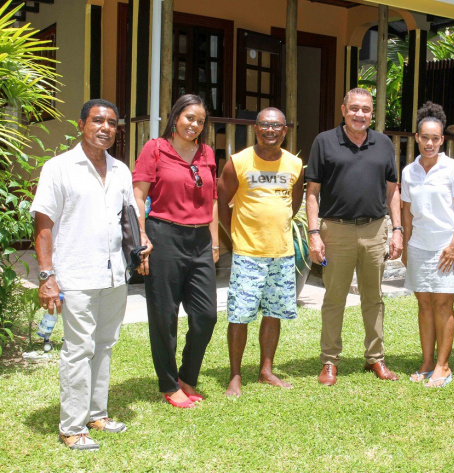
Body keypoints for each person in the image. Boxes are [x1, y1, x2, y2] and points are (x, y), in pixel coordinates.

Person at [32, 99, 152, 450]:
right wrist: (46, 276)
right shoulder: (59, 168)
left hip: (114, 273)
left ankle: (97, 414)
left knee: (105, 345)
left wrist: (142, 241)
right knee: (78, 348)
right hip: (76, 274)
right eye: (98, 121)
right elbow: (43, 224)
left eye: (112, 123)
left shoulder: (120, 170)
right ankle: (71, 426)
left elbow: (130, 218)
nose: (105, 128)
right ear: (81, 125)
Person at [306, 88, 403, 386]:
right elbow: (312, 192)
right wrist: (313, 233)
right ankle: (330, 361)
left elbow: (392, 189)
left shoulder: (383, 143)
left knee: (374, 298)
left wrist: (397, 229)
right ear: (343, 109)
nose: (360, 114)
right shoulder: (324, 142)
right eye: (354, 108)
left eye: (366, 109)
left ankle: (375, 358)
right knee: (334, 298)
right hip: (336, 230)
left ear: (371, 113)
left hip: (375, 229)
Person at [133, 94, 218, 408]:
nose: (194, 125)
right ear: (175, 117)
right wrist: (141, 235)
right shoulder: (155, 149)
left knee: (206, 315)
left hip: (200, 241)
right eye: (189, 118)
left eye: (200, 121)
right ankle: (169, 384)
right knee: (164, 316)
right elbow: (138, 196)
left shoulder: (207, 153)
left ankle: (187, 375)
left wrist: (215, 242)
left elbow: (212, 201)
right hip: (163, 236)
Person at [217, 107, 304, 397]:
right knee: (240, 315)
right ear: (256, 129)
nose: (270, 130)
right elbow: (222, 204)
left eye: (276, 126)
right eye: (265, 125)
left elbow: (294, 203)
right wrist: (236, 239)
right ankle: (235, 375)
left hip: (281, 253)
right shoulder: (238, 162)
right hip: (247, 254)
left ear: (284, 131)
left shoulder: (294, 165)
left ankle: (266, 370)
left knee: (273, 312)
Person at [401, 102, 454, 388]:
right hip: (419, 246)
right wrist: (406, 246)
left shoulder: (452, 168)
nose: (429, 143)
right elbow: (406, 212)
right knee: (424, 305)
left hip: (447, 247)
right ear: (416, 137)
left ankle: (443, 365)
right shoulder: (408, 172)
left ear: (442, 140)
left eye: (435, 138)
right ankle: (427, 361)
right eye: (424, 137)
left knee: (442, 305)